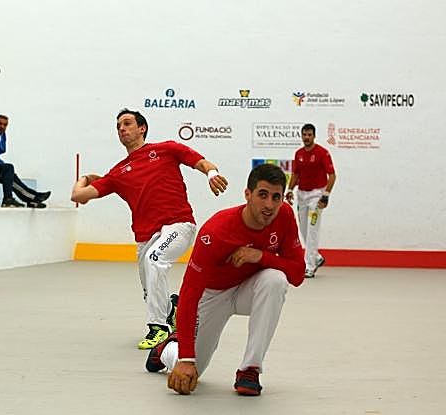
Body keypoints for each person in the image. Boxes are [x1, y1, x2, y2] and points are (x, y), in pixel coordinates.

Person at [71, 109, 228, 349]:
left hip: (179, 225)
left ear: (142, 128)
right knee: (150, 285)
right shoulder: (118, 173)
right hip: (146, 237)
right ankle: (171, 310)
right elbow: (78, 196)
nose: (122, 129)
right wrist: (85, 178)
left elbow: (203, 163)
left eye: (127, 123)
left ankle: (159, 328)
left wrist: (212, 174)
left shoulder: (167, 149)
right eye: (118, 126)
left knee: (155, 260)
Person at [145, 163, 305, 397]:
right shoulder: (216, 232)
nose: (269, 205)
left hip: (247, 290)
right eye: (262, 195)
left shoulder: (285, 216)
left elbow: (297, 275)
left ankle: (250, 370)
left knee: (276, 280)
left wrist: (260, 256)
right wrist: (186, 359)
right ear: (247, 194)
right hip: (213, 296)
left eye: (276, 197)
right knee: (193, 370)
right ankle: (167, 349)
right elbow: (189, 294)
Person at [284, 123, 336, 278]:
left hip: (316, 196)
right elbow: (295, 175)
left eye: (309, 135)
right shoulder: (298, 154)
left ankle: (310, 266)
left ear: (314, 136)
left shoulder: (322, 153)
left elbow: (332, 176)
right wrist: (289, 190)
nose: (306, 137)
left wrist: (325, 195)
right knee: (304, 230)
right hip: (302, 195)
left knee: (312, 230)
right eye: (304, 134)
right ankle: (317, 257)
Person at [0, 114, 51, 208]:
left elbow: (2, 149)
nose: (2, 127)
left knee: (11, 177)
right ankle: (31, 197)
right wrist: (3, 165)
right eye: (0, 124)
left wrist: (3, 135)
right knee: (9, 171)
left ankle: (32, 199)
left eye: (5, 125)